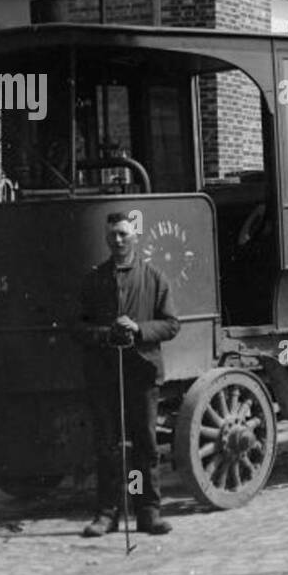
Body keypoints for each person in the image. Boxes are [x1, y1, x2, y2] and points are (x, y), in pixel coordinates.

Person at [75, 212, 181, 536]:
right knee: (107, 445)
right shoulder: (93, 281)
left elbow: (171, 324)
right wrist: (106, 333)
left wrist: (139, 328)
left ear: (135, 236)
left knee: (145, 443)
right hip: (105, 373)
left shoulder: (154, 278)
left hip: (142, 372)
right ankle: (107, 513)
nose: (118, 241)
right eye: (112, 236)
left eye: (123, 234)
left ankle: (147, 511)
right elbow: (76, 326)